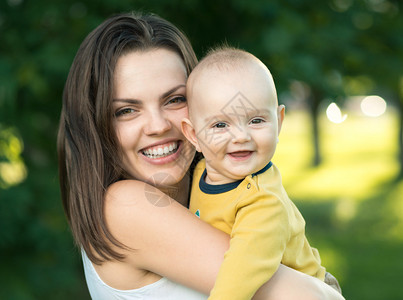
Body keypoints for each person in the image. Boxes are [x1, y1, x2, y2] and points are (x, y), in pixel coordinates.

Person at [58, 11, 345, 300]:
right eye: (126, 110)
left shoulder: (220, 189)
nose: (158, 126)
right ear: (95, 127)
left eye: (175, 99)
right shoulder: (124, 205)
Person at [182, 46, 342, 300]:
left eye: (256, 120)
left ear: (279, 122)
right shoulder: (201, 170)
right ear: (193, 135)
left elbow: (239, 279)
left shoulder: (263, 203)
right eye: (220, 125)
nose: (241, 137)